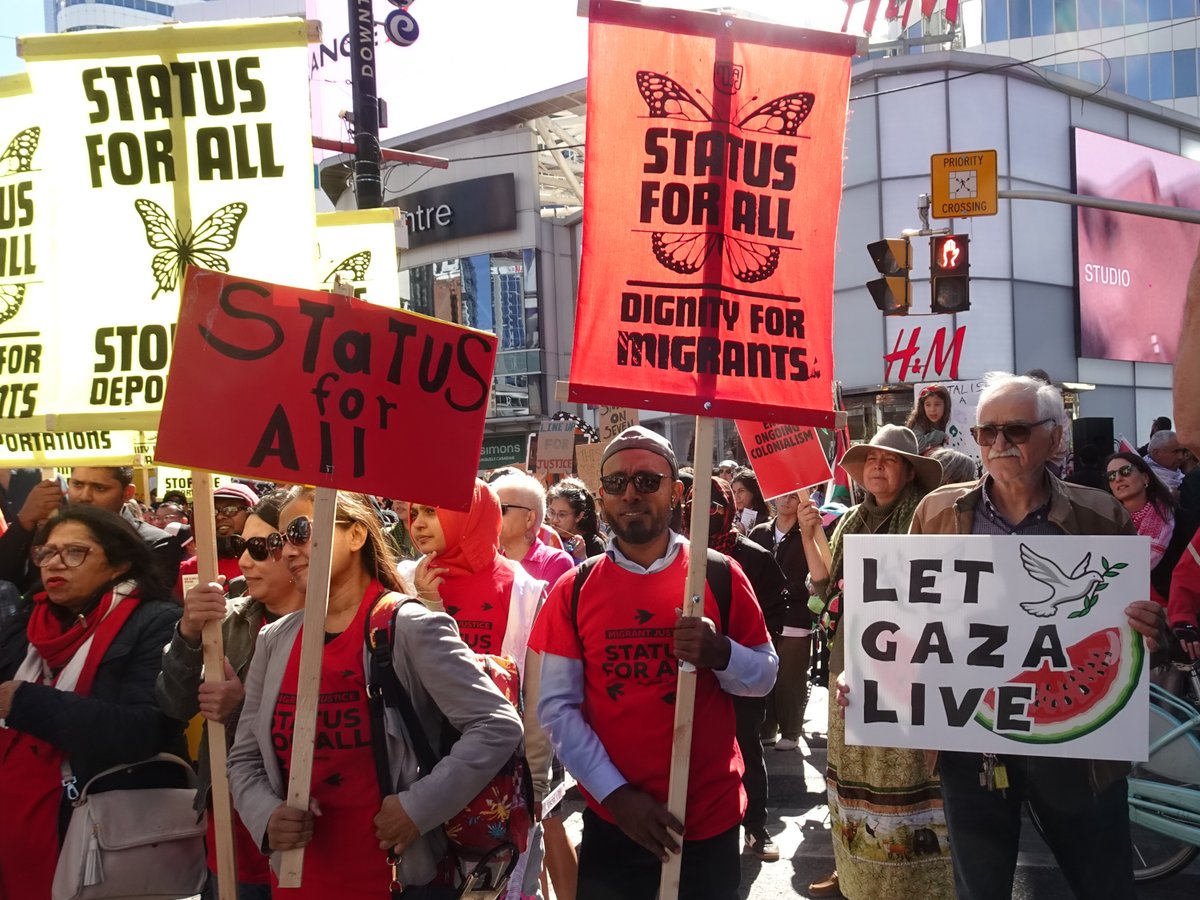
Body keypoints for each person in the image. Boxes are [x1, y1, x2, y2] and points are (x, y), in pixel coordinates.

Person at [898, 372, 1170, 900]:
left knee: (1104, 884)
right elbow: (910, 615)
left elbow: (1134, 619)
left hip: (1080, 747)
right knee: (981, 889)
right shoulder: (934, 513)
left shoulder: (1102, 515)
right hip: (969, 738)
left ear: (1055, 437)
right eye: (985, 433)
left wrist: (1148, 628)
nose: (998, 444)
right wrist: (875, 679)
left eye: (1016, 431)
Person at [227, 489, 523, 899]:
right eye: (279, 541)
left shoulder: (409, 627)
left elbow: (497, 726)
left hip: (393, 879)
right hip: (298, 880)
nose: (288, 551)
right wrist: (265, 815)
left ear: (356, 535)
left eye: (299, 532)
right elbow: (244, 758)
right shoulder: (274, 641)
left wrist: (417, 809)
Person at [530, 426, 777, 900]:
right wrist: (617, 797)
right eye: (617, 483)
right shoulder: (574, 589)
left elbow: (764, 677)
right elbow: (558, 708)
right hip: (615, 822)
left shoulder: (720, 575)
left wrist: (721, 652)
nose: (631, 494)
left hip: (706, 821)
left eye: (647, 481)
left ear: (677, 491)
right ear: (600, 495)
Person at [0, 505, 187, 898]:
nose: (56, 563)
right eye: (47, 552)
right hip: (16, 818)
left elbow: (146, 729)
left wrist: (28, 702)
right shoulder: (28, 619)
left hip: (99, 824)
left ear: (119, 564)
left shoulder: (157, 621)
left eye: (74, 552)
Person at [798, 425, 951, 900]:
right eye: (869, 460)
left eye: (888, 459)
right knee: (851, 775)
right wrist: (808, 535)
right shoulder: (848, 522)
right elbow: (827, 589)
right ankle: (856, 870)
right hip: (849, 662)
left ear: (909, 471)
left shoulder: (926, 519)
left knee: (903, 775)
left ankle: (911, 881)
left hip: (906, 668)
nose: (876, 467)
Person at [405, 480, 551, 897]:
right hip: (420, 774)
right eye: (415, 513)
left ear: (470, 515)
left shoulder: (524, 590)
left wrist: (535, 782)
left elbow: (537, 694)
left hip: (497, 780)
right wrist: (426, 602)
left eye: (433, 512)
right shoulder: (405, 580)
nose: (419, 524)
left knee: (497, 886)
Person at [157, 489, 303, 900]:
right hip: (229, 832)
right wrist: (187, 631)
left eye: (259, 548)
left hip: (304, 830)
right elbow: (173, 704)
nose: (242, 561)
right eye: (242, 545)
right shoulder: (226, 620)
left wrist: (242, 711)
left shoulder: (334, 625)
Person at [683, 475, 787, 863]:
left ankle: (756, 828)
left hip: (741, 674)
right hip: (692, 679)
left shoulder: (752, 557)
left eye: (712, 508)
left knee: (745, 748)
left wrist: (738, 648)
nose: (703, 516)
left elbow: (776, 610)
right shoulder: (674, 556)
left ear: (726, 511)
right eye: (694, 508)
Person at [0, 466, 183, 594]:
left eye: (99, 488)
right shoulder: (49, 534)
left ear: (127, 493)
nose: (84, 496)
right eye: (77, 485)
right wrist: (24, 520)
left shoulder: (157, 543)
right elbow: (10, 580)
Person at [748, 491, 813, 754]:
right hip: (764, 614)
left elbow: (817, 573)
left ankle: (791, 730)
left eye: (794, 497)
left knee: (791, 677)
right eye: (782, 496)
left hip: (796, 615)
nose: (785, 501)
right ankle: (767, 728)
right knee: (766, 671)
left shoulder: (809, 533)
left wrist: (789, 590)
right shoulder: (759, 532)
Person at [1104, 451, 1196, 606]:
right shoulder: (1103, 525)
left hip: (1172, 614)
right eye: (1111, 476)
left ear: (1145, 477)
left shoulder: (1182, 521)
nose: (1118, 478)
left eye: (1125, 471)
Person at [492, 471, 574, 589]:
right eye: (492, 508)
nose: (493, 516)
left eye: (501, 509)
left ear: (530, 518)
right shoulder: (492, 564)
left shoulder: (556, 562)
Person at [177, 482, 262, 595]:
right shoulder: (189, 569)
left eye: (231, 509)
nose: (220, 516)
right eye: (213, 511)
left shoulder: (269, 563)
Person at [547, 478, 606, 562]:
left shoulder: (594, 544)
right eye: (552, 512)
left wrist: (582, 558)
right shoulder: (546, 537)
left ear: (579, 516)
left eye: (562, 514)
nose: (555, 520)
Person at [907, 384, 952, 455]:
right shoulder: (919, 422)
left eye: (937, 404)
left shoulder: (946, 422)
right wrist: (939, 435)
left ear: (945, 405)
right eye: (928, 405)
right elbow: (916, 445)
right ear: (922, 406)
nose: (932, 409)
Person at [730, 468, 770, 535]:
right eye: (734, 492)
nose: (736, 496)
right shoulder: (729, 517)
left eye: (741, 491)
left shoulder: (766, 522)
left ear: (753, 492)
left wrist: (743, 538)